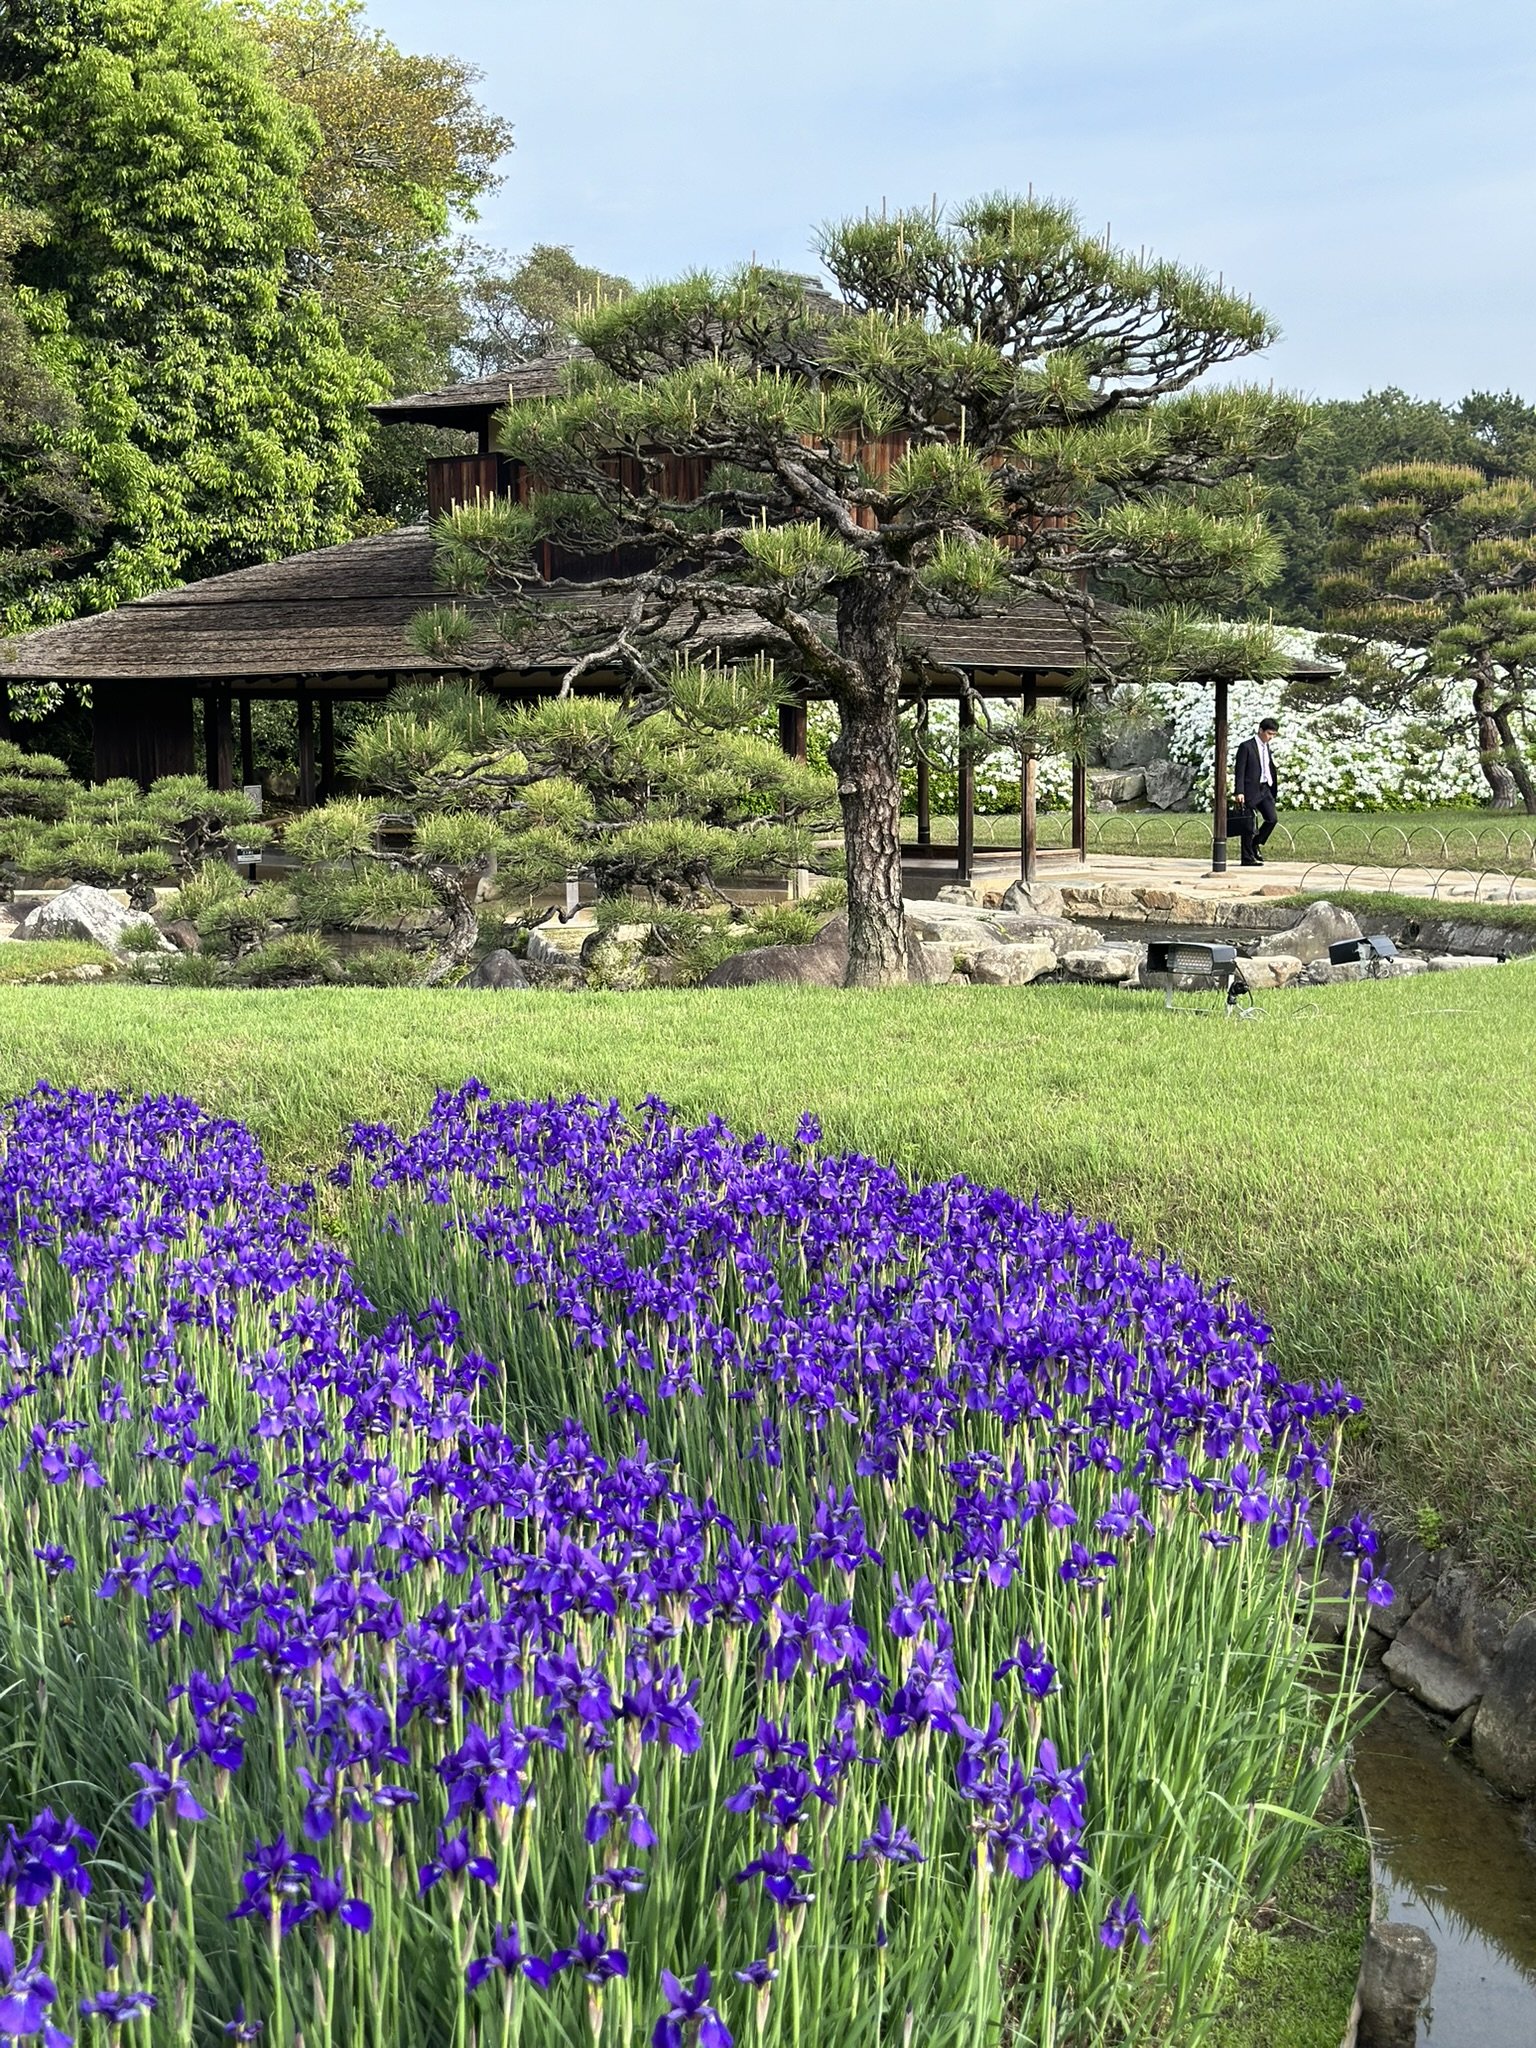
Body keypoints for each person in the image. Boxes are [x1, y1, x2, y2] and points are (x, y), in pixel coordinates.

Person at [1233, 716, 1280, 865]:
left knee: (1272, 819)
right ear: (1261, 730)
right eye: (1269, 734)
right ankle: (1247, 858)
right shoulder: (1246, 746)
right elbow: (1239, 771)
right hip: (1250, 789)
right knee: (1248, 823)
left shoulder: (1267, 747)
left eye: (1274, 734)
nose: (1271, 737)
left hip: (1265, 788)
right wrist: (1239, 791)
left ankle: (1255, 843)